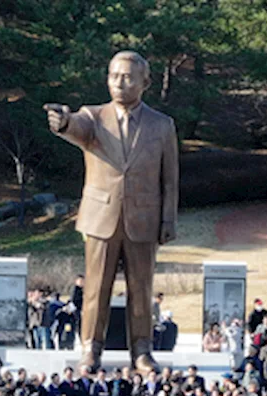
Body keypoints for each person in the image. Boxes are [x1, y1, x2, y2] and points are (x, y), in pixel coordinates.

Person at [46, 50, 180, 373]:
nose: (120, 82)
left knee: (142, 289)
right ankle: (91, 348)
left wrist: (168, 218)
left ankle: (142, 350)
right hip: (101, 217)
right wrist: (63, 121)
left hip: (144, 219)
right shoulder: (93, 117)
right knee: (95, 288)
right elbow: (74, 126)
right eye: (114, 75)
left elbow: (171, 179)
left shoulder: (162, 126)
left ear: (144, 82)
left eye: (128, 76)